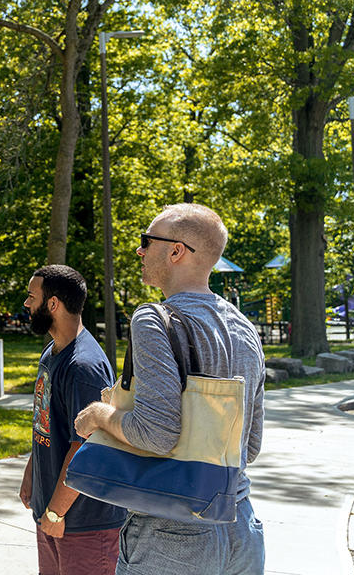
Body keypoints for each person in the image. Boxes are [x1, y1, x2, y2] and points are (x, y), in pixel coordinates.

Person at [74, 203, 265, 574]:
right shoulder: (245, 329)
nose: (140, 251)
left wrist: (98, 414)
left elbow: (157, 434)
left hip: (172, 532)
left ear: (176, 251)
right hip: (240, 526)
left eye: (147, 241)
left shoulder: (153, 319)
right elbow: (250, 445)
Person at [20, 264, 126, 575]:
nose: (26, 304)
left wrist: (56, 512)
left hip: (83, 522)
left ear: (52, 304)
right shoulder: (52, 352)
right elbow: (48, 423)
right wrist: (32, 474)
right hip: (52, 514)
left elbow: (88, 446)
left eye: (31, 297)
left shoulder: (84, 367)